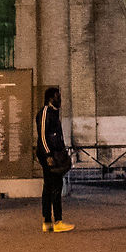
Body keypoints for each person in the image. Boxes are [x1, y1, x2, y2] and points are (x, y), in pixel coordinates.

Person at [36, 85, 72, 232]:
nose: (60, 99)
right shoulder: (45, 112)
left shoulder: (53, 113)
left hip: (54, 154)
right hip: (50, 155)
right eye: (58, 97)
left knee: (50, 187)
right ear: (51, 98)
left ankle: (48, 222)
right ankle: (56, 221)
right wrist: (48, 155)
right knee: (55, 186)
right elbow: (42, 135)